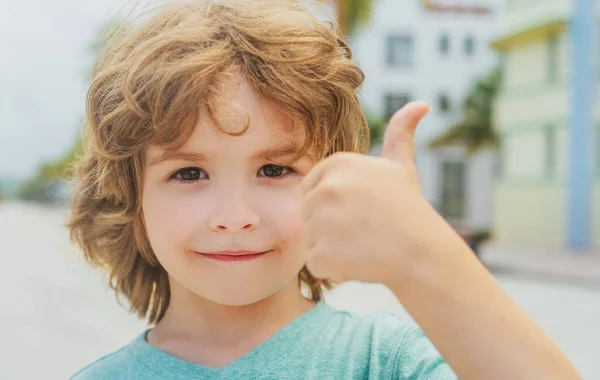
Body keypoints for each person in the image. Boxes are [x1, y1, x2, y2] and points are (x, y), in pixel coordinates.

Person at [67, 0, 581, 379]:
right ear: (130, 197)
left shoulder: (387, 362)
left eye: (274, 170)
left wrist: (425, 256)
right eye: (188, 174)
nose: (234, 215)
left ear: (332, 181)